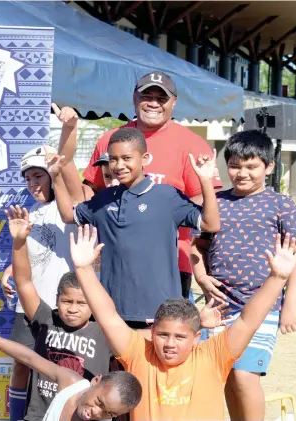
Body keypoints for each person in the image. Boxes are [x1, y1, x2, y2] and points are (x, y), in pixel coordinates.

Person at [70, 224, 296, 421]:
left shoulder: (213, 356)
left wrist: (277, 278)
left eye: (180, 337)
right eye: (163, 335)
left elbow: (248, 321)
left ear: (196, 336)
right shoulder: (139, 354)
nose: (170, 344)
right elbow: (108, 317)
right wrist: (83, 269)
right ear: (152, 332)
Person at [190, 130, 296, 421]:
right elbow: (196, 245)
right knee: (226, 373)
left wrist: (291, 303)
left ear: (268, 167)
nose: (241, 173)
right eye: (235, 165)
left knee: (245, 375)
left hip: (262, 307)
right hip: (219, 307)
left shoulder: (281, 204)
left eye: (251, 166)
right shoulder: (215, 202)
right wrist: (202, 278)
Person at [53, 127, 220, 333]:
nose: (119, 165)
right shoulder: (104, 199)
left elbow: (210, 224)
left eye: (126, 158)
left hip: (158, 315)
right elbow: (68, 216)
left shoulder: (167, 197)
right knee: (114, 366)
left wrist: (205, 180)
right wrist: (55, 177)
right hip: (111, 313)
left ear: (145, 158)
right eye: (113, 159)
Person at [80, 72, 222, 300]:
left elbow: (208, 201)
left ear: (173, 102)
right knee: (112, 331)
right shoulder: (111, 139)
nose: (154, 103)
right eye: (147, 96)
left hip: (170, 263)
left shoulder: (192, 143)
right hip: (112, 260)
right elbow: (91, 189)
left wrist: (157, 213)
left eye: (161, 98)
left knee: (163, 333)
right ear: (135, 98)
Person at [5, 205, 112, 421]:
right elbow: (24, 282)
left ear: (93, 303)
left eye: (81, 303)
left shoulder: (105, 332)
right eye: (66, 301)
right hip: (40, 416)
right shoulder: (45, 319)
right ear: (56, 300)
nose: (72, 308)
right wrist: (19, 242)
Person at [3, 142, 76, 421]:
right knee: (21, 364)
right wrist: (9, 271)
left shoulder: (69, 207)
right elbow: (29, 256)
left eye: (39, 176)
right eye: (28, 178)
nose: (33, 184)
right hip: (27, 306)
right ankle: (17, 418)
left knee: (58, 368)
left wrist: (68, 131)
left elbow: (66, 164)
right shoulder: (30, 213)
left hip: (59, 308)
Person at [0, 328, 142, 421]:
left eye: (109, 414)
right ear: (95, 380)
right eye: (99, 402)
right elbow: (28, 358)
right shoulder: (71, 382)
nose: (97, 413)